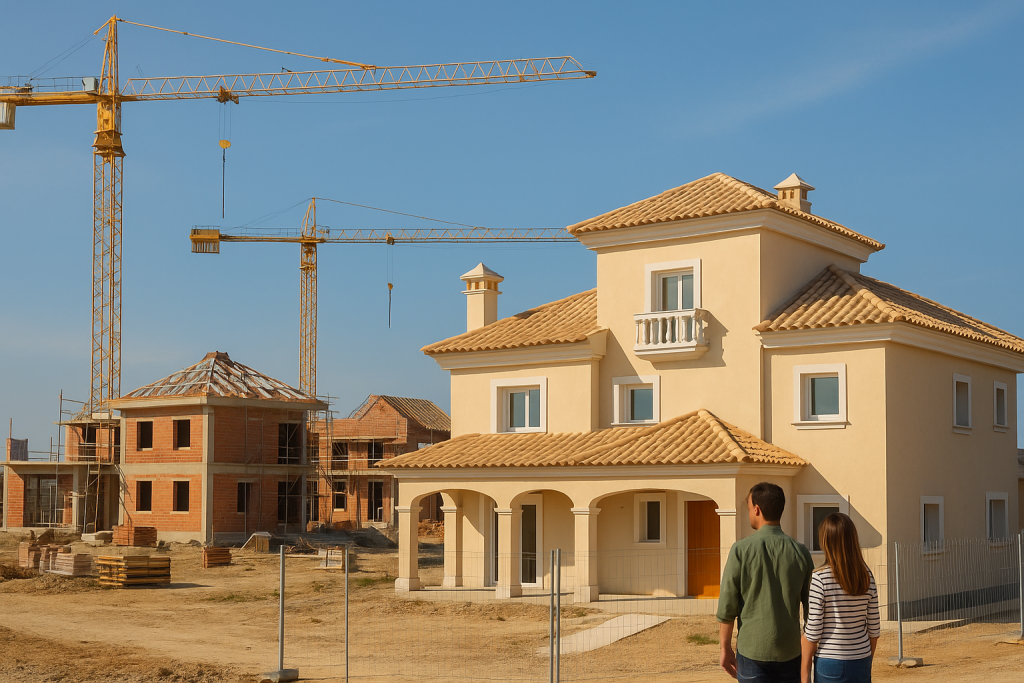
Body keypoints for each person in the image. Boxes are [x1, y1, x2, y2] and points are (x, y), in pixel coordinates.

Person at [718, 482, 813, 682]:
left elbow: (727, 606)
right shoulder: (801, 552)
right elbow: (812, 608)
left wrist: (724, 649)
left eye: (749, 508)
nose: (749, 513)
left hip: (752, 651)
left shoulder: (740, 550)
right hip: (790, 652)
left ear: (757, 509)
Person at [801, 513, 880, 683]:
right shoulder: (867, 576)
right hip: (861, 659)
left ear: (826, 542)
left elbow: (813, 632)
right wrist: (865, 659)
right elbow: (874, 630)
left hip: (830, 662)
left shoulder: (820, 578)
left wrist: (804, 675)